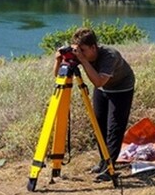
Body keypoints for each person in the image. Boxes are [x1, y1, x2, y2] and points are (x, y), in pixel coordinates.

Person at [53, 28, 135, 181]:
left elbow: (97, 82)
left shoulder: (110, 55)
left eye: (83, 51)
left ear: (93, 47)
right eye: (78, 50)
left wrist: (82, 61)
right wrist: (59, 60)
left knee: (114, 127)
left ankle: (109, 168)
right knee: (99, 124)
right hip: (103, 87)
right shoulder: (83, 53)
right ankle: (104, 160)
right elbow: (58, 76)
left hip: (121, 87)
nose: (80, 54)